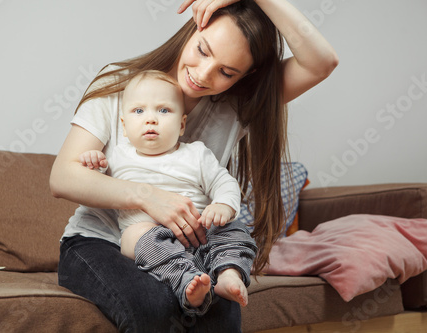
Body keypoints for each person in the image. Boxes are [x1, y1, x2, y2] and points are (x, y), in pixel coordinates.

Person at [50, 0, 338, 331]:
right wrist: (147, 196)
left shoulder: (234, 107)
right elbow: (62, 177)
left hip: (186, 247)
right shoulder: (121, 87)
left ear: (245, 76)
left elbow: (322, 62)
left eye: (227, 72)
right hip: (98, 242)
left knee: (220, 303)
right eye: (202, 50)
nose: (203, 74)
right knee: (153, 304)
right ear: (194, 28)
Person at [79, 70, 257, 316]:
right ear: (124, 125)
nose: (150, 119)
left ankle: (229, 273)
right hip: (150, 234)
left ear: (182, 123)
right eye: (138, 111)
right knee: (139, 238)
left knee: (235, 229)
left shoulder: (196, 153)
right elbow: (94, 186)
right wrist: (93, 161)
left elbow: (223, 181)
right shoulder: (117, 155)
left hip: (201, 229)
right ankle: (187, 282)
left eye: (163, 110)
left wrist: (223, 206)